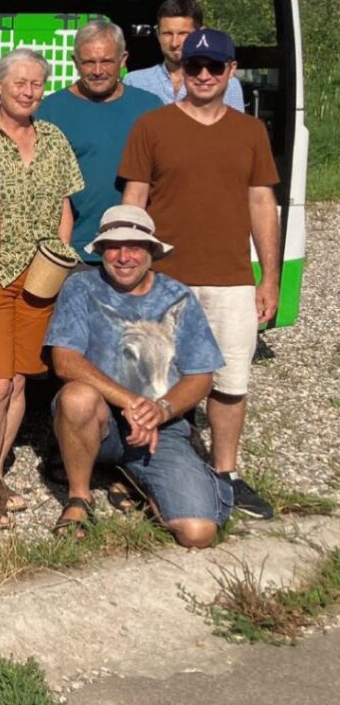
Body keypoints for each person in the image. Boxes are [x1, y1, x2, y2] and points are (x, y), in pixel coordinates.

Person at [120, 28, 280, 519]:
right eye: (196, 66)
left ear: (232, 71)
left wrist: (268, 277)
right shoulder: (152, 126)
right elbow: (134, 200)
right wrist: (130, 269)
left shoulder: (251, 132)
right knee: (158, 379)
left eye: (215, 67)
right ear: (180, 72)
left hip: (230, 279)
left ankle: (225, 472)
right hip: (165, 278)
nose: (205, 75)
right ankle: (149, 469)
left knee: (230, 380)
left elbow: (261, 204)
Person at [46, 205, 232, 547]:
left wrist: (160, 409)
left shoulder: (178, 296)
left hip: (160, 429)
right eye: (113, 246)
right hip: (99, 421)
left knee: (198, 533)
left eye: (135, 246)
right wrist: (131, 401)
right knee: (76, 397)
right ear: (100, 250)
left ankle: (143, 482)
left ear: (151, 251)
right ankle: (79, 497)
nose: (123, 256)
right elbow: (65, 361)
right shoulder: (80, 287)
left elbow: (201, 375)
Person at [0, 48, 83, 530]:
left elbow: (64, 206)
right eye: (20, 83)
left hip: (38, 279)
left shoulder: (54, 139)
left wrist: (58, 260)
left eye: (37, 84)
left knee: (17, 383)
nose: (30, 92)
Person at [39, 21, 163, 265]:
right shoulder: (49, 111)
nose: (97, 70)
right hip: (74, 254)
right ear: (75, 62)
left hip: (136, 251)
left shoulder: (149, 107)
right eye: (88, 62)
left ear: (123, 59)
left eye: (106, 61)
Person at [123, 0, 247, 111]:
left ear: (200, 34)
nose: (174, 43)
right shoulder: (136, 82)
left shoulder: (225, 83)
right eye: (167, 34)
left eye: (183, 34)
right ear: (157, 34)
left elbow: (236, 130)